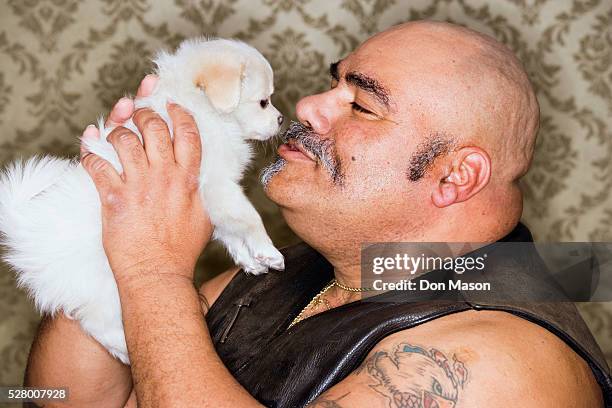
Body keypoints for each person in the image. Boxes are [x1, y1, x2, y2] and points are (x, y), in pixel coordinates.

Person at [23, 20, 611, 407]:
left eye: (363, 104)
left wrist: (151, 274)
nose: (307, 105)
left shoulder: (498, 363)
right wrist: (110, 221)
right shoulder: (291, 278)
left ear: (455, 177)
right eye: (334, 84)